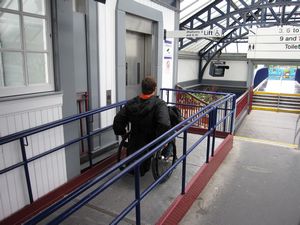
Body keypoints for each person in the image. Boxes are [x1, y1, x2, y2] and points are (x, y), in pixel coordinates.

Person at [113, 76, 171, 176]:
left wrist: (122, 133)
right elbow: (164, 123)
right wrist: (161, 140)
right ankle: (166, 156)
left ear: (142, 88)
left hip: (134, 138)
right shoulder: (159, 104)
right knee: (172, 133)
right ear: (154, 88)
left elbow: (118, 120)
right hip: (152, 139)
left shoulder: (131, 103)